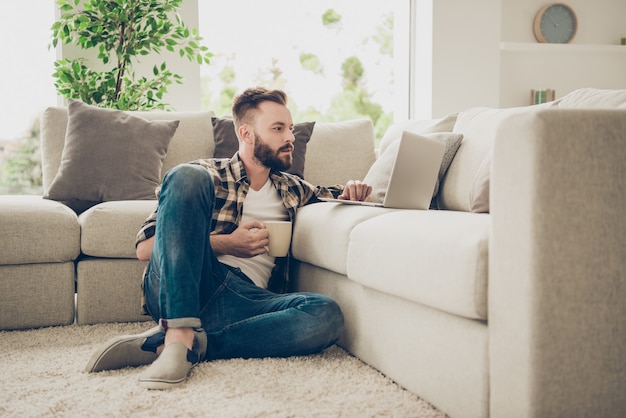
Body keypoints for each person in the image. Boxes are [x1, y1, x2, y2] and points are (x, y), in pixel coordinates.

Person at [85, 87, 372, 389]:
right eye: (278, 129)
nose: (290, 137)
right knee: (184, 174)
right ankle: (179, 331)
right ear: (246, 133)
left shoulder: (294, 188)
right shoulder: (205, 176)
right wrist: (227, 243)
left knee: (325, 315)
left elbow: (337, 195)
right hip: (189, 284)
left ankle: (186, 343)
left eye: (290, 128)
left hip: (244, 300)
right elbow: (145, 249)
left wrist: (355, 190)